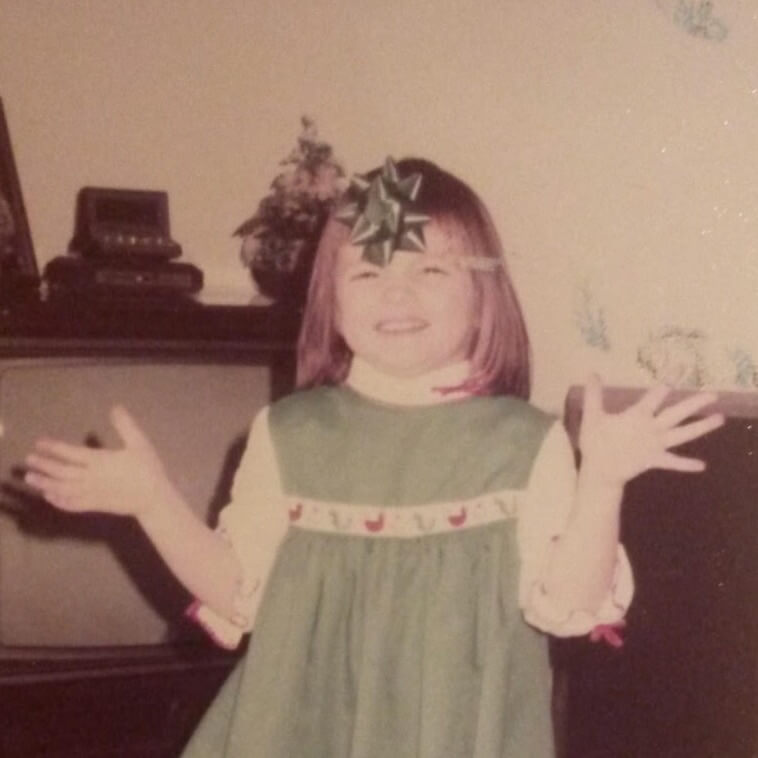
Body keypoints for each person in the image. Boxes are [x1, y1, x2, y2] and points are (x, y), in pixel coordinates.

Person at [23, 158, 724, 758]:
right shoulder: (288, 435)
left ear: (484, 295)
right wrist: (153, 503)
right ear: (329, 299)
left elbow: (570, 605)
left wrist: (602, 483)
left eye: (431, 268)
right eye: (366, 272)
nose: (396, 292)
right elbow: (238, 592)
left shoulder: (522, 443)